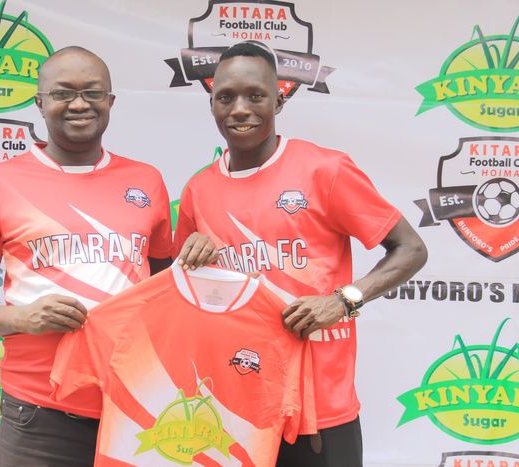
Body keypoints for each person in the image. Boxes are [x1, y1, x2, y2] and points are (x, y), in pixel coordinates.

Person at [0, 46, 215, 467]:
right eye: (63, 93)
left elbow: (166, 291)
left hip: (137, 405)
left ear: (110, 102)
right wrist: (23, 318)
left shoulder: (145, 180)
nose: (78, 104)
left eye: (92, 92)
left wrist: (200, 257)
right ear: (40, 102)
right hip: (38, 413)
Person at [173, 42, 428, 467]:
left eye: (255, 95)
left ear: (279, 100)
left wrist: (343, 301)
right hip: (233, 408)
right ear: (212, 104)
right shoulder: (199, 190)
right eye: (226, 97)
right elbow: (183, 297)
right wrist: (190, 263)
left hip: (321, 414)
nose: (240, 109)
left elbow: (411, 249)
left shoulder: (325, 169)